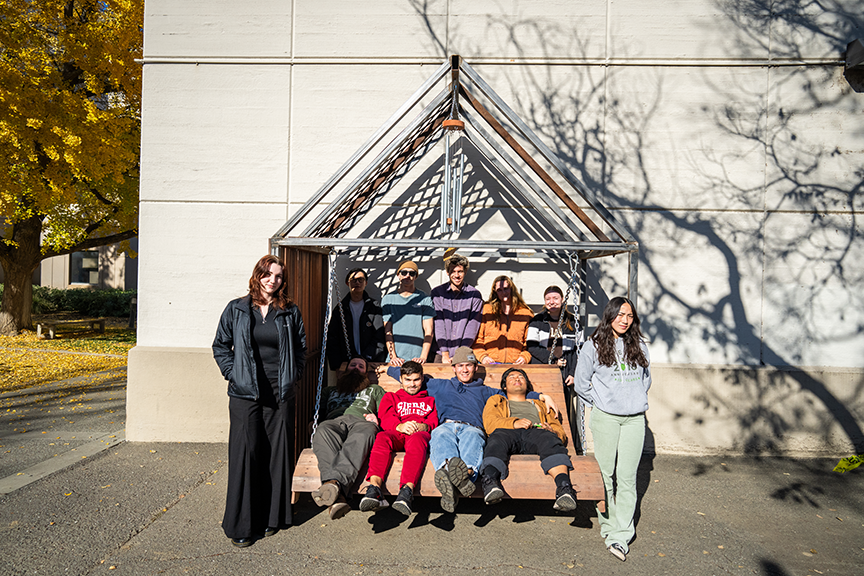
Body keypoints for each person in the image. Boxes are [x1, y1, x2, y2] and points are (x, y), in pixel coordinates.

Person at [379, 346, 559, 513]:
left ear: (475, 367)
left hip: (472, 427)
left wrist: (542, 396)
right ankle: (456, 476)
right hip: (446, 425)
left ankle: (460, 475)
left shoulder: (485, 390)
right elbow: (407, 375)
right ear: (454, 367)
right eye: (460, 366)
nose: (464, 370)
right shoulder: (439, 385)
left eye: (469, 366)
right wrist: (385, 368)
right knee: (440, 435)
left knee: (473, 438)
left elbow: (511, 394)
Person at [212, 255, 306, 548]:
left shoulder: (289, 311)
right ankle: (241, 524)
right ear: (258, 275)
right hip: (245, 394)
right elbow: (220, 346)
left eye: (278, 276)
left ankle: (270, 518)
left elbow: (301, 348)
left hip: (280, 395)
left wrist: (293, 375)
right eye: (268, 274)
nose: (273, 281)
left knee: (275, 455)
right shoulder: (237, 309)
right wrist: (233, 373)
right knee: (245, 455)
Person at [574, 296, 651, 562]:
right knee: (605, 474)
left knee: (627, 477)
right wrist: (601, 403)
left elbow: (646, 379)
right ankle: (608, 526)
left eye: (629, 316)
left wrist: (633, 398)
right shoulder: (592, 346)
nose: (624, 320)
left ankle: (622, 534)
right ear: (609, 316)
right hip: (606, 417)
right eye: (620, 315)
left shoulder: (639, 344)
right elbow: (581, 383)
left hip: (634, 419)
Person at [478, 367, 578, 512]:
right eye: (511, 377)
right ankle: (490, 482)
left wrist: (552, 431)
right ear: (504, 386)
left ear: (527, 384)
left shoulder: (541, 404)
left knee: (550, 440)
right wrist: (514, 423)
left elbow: (559, 429)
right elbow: (490, 423)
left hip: (536, 432)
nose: (517, 379)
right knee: (496, 439)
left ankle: (564, 488)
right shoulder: (496, 400)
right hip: (508, 431)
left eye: (521, 377)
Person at [360, 361, 438, 516]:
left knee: (417, 440)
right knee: (382, 437)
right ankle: (374, 488)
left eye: (416, 379)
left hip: (418, 434)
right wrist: (399, 426)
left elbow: (434, 421)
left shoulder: (430, 401)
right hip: (398, 432)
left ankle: (406, 491)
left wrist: (423, 426)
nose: (412, 384)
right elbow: (385, 417)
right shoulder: (391, 397)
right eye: (408, 380)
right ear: (401, 379)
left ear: (422, 378)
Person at [311, 357, 385, 520]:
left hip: (362, 421)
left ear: (366, 372)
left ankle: (332, 488)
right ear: (345, 369)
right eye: (353, 365)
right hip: (334, 421)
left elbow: (386, 412)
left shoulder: (374, 389)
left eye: (361, 366)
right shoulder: (329, 390)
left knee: (364, 433)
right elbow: (319, 414)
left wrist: (378, 420)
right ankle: (337, 492)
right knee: (322, 430)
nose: (356, 368)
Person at [326, 268, 387, 370]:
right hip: (347, 362)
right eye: (353, 280)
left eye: (360, 280)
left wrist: (367, 357)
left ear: (366, 283)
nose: (357, 282)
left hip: (370, 361)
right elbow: (333, 338)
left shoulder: (374, 307)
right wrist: (337, 365)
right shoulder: (340, 309)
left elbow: (379, 336)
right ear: (347, 283)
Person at [430, 254, 483, 363]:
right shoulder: (438, 293)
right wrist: (445, 353)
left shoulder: (474, 295)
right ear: (447, 273)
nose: (456, 275)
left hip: (464, 351)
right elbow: (438, 324)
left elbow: (472, 327)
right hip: (440, 352)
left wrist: (460, 354)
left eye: (460, 271)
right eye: (453, 271)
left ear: (465, 272)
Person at [382, 260, 435, 365]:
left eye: (412, 273)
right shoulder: (388, 299)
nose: (407, 276)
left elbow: (429, 331)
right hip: (395, 360)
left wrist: (423, 357)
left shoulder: (425, 299)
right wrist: (393, 357)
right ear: (398, 275)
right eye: (404, 272)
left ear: (415, 277)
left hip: (418, 359)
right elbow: (388, 330)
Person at [527, 286, 581, 385]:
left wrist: (573, 373)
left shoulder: (573, 322)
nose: (551, 302)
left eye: (555, 298)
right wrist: (553, 360)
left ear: (562, 299)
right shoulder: (537, 321)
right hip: (542, 368)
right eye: (548, 299)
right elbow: (532, 347)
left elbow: (578, 350)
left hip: (565, 371)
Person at [473, 275, 533, 365]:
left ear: (512, 289)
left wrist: (525, 357)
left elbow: (530, 343)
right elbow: (478, 339)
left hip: (515, 364)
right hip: (490, 363)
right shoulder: (487, 310)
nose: (503, 292)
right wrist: (483, 357)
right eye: (499, 290)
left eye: (506, 289)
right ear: (495, 292)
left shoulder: (525, 313)